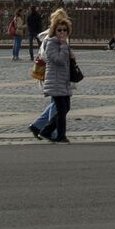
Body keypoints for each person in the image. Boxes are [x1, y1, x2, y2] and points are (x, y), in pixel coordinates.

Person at [35, 13, 77, 142]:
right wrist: (64, 46)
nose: (62, 32)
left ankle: (47, 130)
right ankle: (60, 135)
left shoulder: (62, 43)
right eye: (59, 30)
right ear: (54, 30)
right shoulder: (51, 42)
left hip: (63, 80)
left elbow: (66, 60)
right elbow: (57, 59)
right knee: (61, 108)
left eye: (64, 30)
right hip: (55, 80)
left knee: (66, 108)